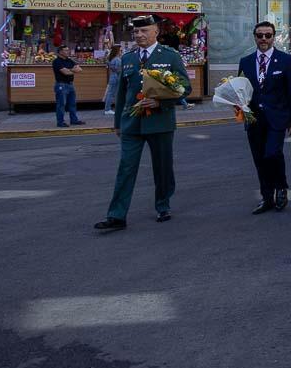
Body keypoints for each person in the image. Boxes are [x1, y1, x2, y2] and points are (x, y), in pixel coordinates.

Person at [94, 15, 192, 231]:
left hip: (160, 122)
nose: (139, 35)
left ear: (156, 31)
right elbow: (122, 93)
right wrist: (118, 123)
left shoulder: (170, 56)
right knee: (126, 168)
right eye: (136, 32)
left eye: (144, 31)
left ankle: (163, 205)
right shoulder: (128, 58)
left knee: (163, 167)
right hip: (132, 123)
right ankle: (116, 215)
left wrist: (161, 102)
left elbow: (185, 87)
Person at [238, 21, 291, 214]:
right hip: (254, 119)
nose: (264, 39)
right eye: (260, 35)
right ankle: (266, 197)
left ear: (274, 37)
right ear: (254, 37)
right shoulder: (246, 61)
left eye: (268, 35)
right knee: (259, 159)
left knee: (272, 153)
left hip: (277, 117)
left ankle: (281, 187)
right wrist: (238, 106)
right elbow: (240, 89)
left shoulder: (286, 60)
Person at [52, 45, 84, 127]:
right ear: (60, 52)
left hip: (70, 84)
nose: (68, 52)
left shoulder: (69, 60)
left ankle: (74, 120)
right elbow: (65, 72)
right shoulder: (57, 61)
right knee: (61, 104)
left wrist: (69, 70)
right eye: (65, 50)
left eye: (68, 50)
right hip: (61, 84)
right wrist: (73, 70)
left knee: (72, 104)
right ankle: (60, 122)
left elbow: (80, 69)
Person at [103, 45, 122, 115]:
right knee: (113, 93)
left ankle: (109, 108)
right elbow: (118, 70)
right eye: (120, 50)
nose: (121, 52)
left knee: (111, 93)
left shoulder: (111, 58)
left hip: (112, 76)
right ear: (117, 51)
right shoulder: (117, 59)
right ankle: (108, 109)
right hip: (116, 77)